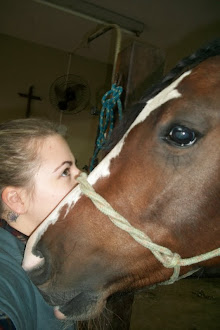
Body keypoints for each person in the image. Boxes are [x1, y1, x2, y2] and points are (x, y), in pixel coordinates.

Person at [0, 118, 80, 329]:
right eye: (65, 172)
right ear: (17, 200)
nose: (84, 178)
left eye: (76, 167)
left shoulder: (53, 246)